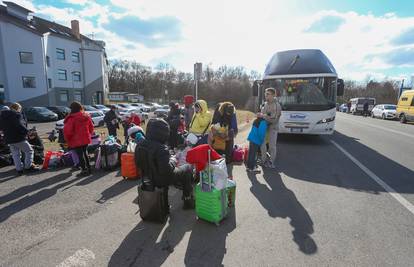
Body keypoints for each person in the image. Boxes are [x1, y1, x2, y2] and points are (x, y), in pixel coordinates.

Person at [135, 118, 195, 210]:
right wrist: (173, 160)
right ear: (162, 133)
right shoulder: (160, 148)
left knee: (179, 169)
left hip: (147, 177)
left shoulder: (140, 144)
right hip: (162, 179)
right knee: (186, 168)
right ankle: (188, 201)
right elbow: (166, 170)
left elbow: (138, 163)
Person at [0, 102, 38, 174]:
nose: (20, 110)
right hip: (18, 138)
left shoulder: (2, 116)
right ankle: (28, 167)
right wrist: (27, 132)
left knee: (15, 154)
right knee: (29, 151)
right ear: (16, 108)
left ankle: (19, 169)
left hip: (9, 139)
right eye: (20, 108)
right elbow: (20, 126)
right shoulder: (16, 115)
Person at [64, 102, 94, 176]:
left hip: (76, 139)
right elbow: (91, 127)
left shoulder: (71, 118)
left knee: (80, 155)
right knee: (85, 153)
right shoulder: (86, 115)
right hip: (85, 138)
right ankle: (89, 169)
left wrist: (67, 139)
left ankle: (84, 170)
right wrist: (89, 134)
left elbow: (68, 131)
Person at [259, 88, 281, 168]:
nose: (266, 95)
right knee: (262, 144)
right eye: (265, 94)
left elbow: (274, 120)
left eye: (268, 94)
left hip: (273, 128)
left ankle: (271, 162)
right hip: (265, 127)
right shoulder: (265, 103)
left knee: (272, 146)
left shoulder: (276, 105)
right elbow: (263, 113)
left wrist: (263, 116)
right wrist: (260, 115)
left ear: (273, 95)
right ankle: (263, 160)